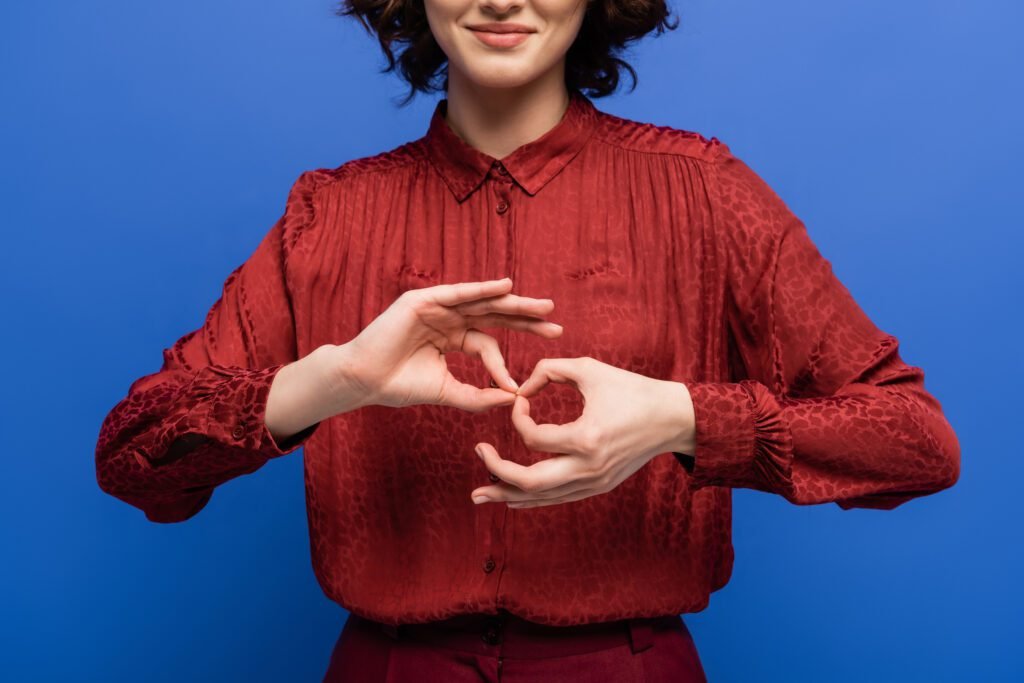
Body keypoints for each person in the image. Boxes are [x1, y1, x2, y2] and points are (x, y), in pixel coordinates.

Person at [94, 0, 962, 680]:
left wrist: (684, 418)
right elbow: (134, 455)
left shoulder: (705, 191)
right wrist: (334, 379)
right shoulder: (328, 213)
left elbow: (915, 441)